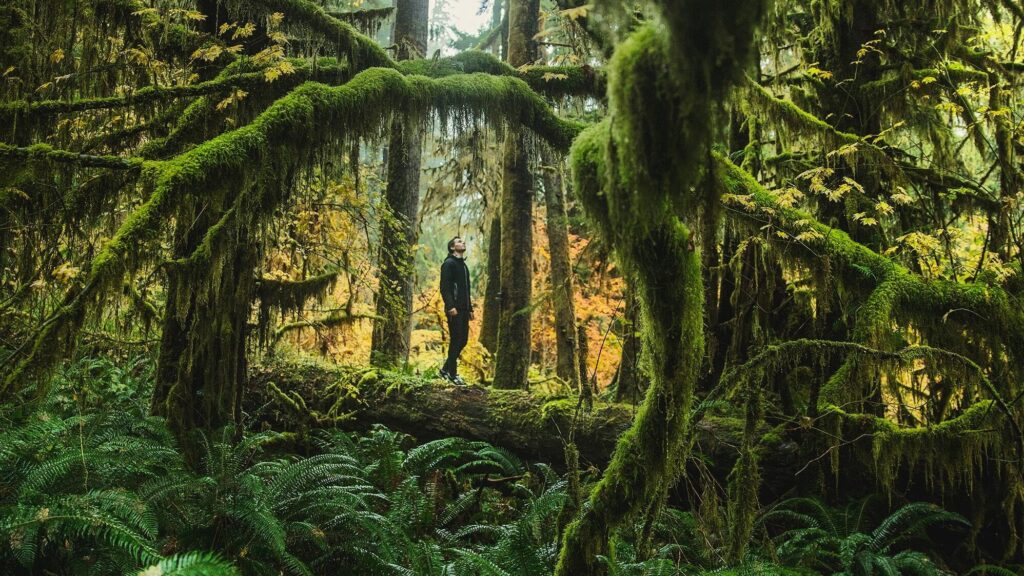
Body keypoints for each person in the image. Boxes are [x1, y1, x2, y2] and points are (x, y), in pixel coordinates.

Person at [439, 236, 472, 385]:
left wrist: (470, 308)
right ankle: (452, 374)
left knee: (463, 340)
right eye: (459, 242)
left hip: (464, 309)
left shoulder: (463, 266)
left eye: (463, 242)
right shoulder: (449, 264)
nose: (463, 243)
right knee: (456, 340)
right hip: (454, 309)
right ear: (452, 247)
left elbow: (467, 290)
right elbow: (445, 288)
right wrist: (450, 306)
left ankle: (445, 370)